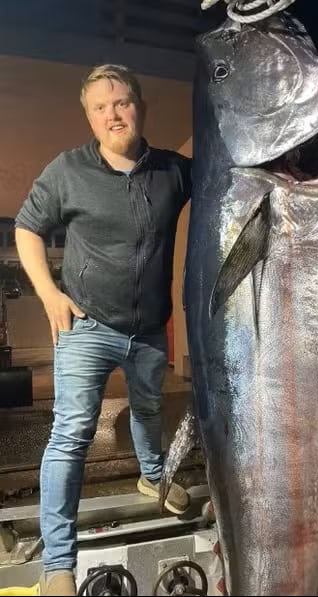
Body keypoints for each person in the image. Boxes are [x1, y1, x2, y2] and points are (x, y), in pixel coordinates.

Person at [15, 64, 192, 596]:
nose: (113, 113)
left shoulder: (173, 172)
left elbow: (231, 183)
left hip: (149, 329)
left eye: (122, 102)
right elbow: (27, 228)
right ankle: (58, 566)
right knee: (71, 434)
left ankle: (154, 476)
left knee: (150, 410)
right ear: (90, 117)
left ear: (140, 106)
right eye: (101, 106)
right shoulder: (67, 171)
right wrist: (49, 294)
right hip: (86, 324)